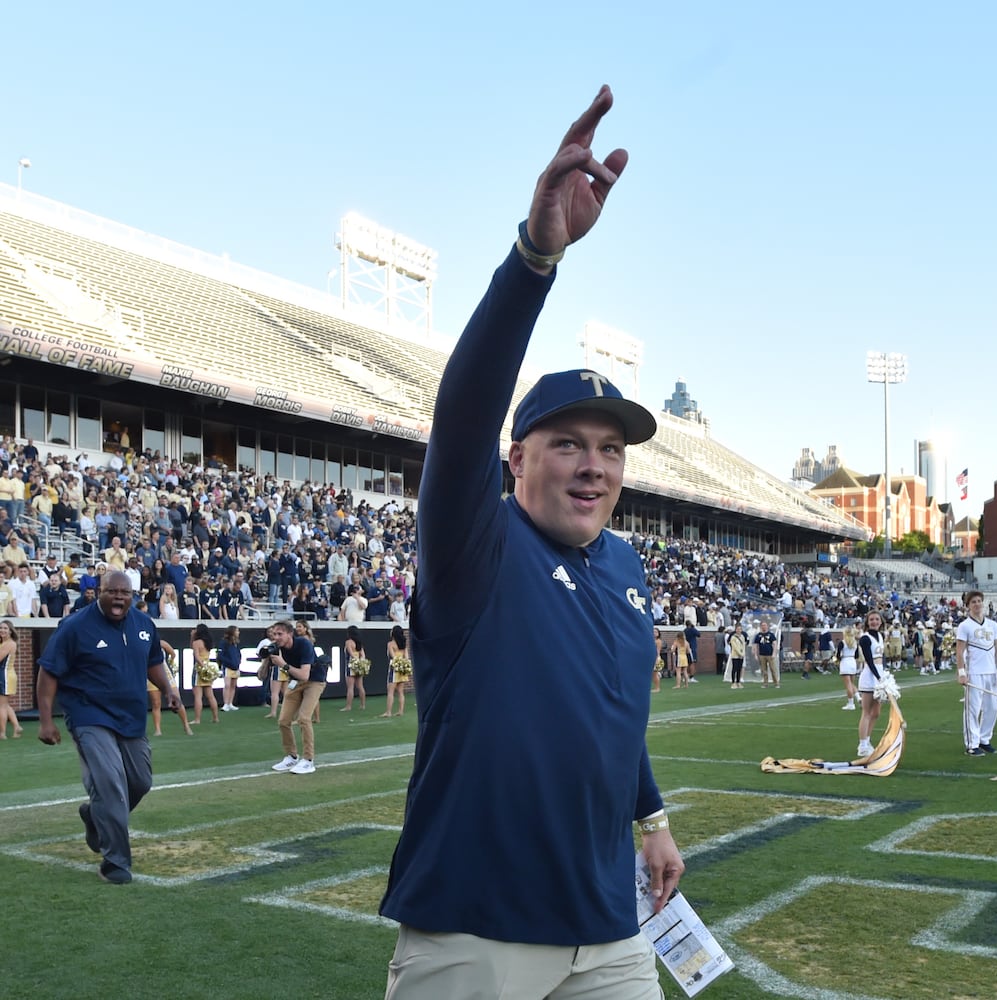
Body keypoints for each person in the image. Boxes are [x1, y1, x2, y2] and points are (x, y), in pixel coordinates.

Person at [380, 88, 683, 1000]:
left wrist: (652, 817)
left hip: (609, 931)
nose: (593, 468)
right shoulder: (477, 545)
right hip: (475, 936)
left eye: (609, 450)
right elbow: (462, 408)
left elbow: (610, 712)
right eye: (566, 445)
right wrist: (535, 258)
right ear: (516, 459)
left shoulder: (626, 566)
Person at [36, 570, 179, 883]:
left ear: (132, 595)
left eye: (124, 592)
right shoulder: (75, 626)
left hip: (130, 715)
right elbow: (48, 673)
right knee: (111, 783)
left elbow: (153, 661)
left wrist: (169, 689)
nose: (118, 597)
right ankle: (115, 862)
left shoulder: (143, 624)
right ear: (97, 592)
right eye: (111, 591)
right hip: (89, 714)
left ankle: (95, 815)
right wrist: (46, 721)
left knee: (140, 782)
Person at [268, 619, 323, 774]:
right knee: (283, 721)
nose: (276, 637)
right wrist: (266, 662)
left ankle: (308, 760)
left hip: (314, 681)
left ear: (289, 634)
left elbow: (305, 675)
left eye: (280, 634)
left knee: (304, 718)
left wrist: (282, 664)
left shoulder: (304, 644)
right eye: (274, 634)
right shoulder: (277, 648)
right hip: (295, 682)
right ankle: (291, 756)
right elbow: (263, 673)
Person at [956, 590, 997, 755]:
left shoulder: (993, 625)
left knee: (993, 708)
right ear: (968, 606)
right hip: (974, 672)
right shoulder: (965, 626)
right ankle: (972, 744)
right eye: (973, 602)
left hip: (991, 673)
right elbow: (960, 650)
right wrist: (961, 672)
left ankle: (985, 739)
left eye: (979, 601)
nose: (977, 604)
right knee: (973, 709)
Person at [855, 610, 887, 757]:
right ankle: (862, 745)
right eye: (871, 619)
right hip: (870, 676)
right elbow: (869, 660)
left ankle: (867, 741)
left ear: (881, 621)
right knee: (867, 712)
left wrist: (884, 676)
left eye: (877, 619)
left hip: (880, 674)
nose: (874, 622)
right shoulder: (865, 638)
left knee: (876, 713)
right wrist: (879, 677)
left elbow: (882, 658)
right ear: (867, 622)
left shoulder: (881, 636)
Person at [148, 638, 193, 737]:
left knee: (177, 700)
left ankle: (186, 725)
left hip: (165, 673)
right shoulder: (143, 645)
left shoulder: (161, 643)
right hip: (150, 675)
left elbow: (173, 653)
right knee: (156, 703)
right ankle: (158, 729)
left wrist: (171, 663)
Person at [190, 623, 220, 725]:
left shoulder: (196, 642)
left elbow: (196, 656)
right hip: (208, 667)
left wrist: (201, 666)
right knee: (210, 695)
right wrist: (206, 667)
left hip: (200, 669)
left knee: (198, 696)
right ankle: (215, 717)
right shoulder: (208, 642)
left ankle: (197, 719)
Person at [381, 624, 412, 717]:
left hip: (394, 669)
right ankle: (400, 711)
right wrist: (404, 666)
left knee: (390, 691)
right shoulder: (403, 645)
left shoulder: (390, 644)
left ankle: (388, 712)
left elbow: (393, 657)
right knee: (400, 691)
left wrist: (397, 664)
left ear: (393, 633)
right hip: (402, 670)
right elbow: (406, 657)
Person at [0, 620, 22, 738]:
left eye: (5, 628)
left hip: (5, 675)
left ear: (10, 631)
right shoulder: (3, 643)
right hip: (4, 675)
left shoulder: (9, 643)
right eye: (1, 628)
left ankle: (2, 733)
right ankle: (17, 727)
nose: (2, 630)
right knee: (4, 704)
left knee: (1, 706)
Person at [342, 625, 369, 711]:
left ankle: (348, 706)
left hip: (351, 665)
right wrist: (360, 663)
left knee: (350, 687)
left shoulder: (348, 642)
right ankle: (363, 705)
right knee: (360, 686)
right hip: (359, 666)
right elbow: (363, 655)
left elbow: (351, 653)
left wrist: (355, 661)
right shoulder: (359, 643)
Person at [218, 625, 243, 712]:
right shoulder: (224, 642)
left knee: (233, 685)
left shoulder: (236, 643)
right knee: (227, 685)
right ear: (232, 632)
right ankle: (225, 704)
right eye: (237, 631)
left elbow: (238, 654)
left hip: (235, 667)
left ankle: (230, 703)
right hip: (227, 667)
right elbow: (220, 655)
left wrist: (238, 662)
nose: (238, 632)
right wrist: (228, 662)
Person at [837, 625, 859, 709]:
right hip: (852, 662)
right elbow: (857, 655)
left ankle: (851, 703)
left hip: (845, 662)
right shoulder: (855, 642)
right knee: (852, 683)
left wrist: (838, 659)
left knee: (848, 684)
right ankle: (858, 697)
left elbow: (838, 655)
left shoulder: (842, 643)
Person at [754, 618, 779, 688]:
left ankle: (776, 683)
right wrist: (756, 654)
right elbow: (756, 645)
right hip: (762, 654)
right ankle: (765, 683)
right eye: (762, 625)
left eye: (765, 625)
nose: (763, 627)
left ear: (767, 626)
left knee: (773, 669)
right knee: (764, 670)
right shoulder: (758, 635)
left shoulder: (771, 635)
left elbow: (774, 644)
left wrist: (774, 653)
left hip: (770, 654)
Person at [728, 623, 747, 689]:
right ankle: (733, 683)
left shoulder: (742, 637)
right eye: (738, 629)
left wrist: (743, 653)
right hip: (735, 655)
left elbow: (744, 645)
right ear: (735, 630)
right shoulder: (733, 637)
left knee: (739, 669)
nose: (739, 630)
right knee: (734, 668)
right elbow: (734, 647)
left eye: (740, 629)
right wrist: (740, 653)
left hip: (741, 656)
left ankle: (738, 682)